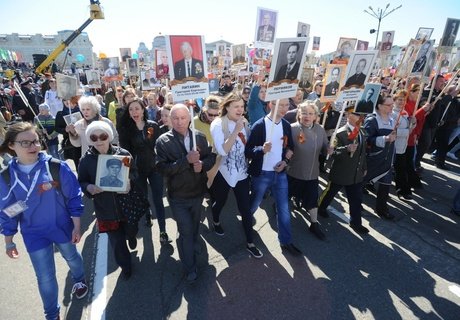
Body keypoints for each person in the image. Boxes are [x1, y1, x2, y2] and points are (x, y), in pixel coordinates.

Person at [0, 122, 88, 320]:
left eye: (35, 141)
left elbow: (73, 196)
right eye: (25, 143)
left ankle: (80, 279)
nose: (33, 146)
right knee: (45, 277)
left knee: (72, 257)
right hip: (33, 233)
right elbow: (8, 212)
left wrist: (76, 225)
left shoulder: (56, 166)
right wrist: (9, 241)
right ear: (12, 146)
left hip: (62, 226)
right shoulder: (6, 177)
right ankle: (52, 314)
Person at [155, 104, 215, 283]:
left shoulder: (200, 137)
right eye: (175, 118)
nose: (179, 122)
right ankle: (189, 267)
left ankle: (193, 245)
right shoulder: (163, 141)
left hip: (197, 193)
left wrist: (202, 165)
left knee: (195, 227)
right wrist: (185, 161)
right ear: (169, 120)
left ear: (190, 118)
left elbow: (210, 158)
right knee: (186, 231)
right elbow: (162, 169)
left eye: (183, 118)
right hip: (178, 197)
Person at [78, 121, 137, 280]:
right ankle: (126, 266)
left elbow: (134, 173)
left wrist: (129, 181)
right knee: (117, 242)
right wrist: (88, 187)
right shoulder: (86, 160)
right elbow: (81, 181)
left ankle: (131, 236)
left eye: (102, 136)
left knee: (131, 230)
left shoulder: (122, 154)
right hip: (105, 208)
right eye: (94, 137)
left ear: (109, 136)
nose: (98, 140)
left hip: (126, 204)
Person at [209, 92, 263, 257]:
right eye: (236, 106)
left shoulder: (245, 122)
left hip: (241, 173)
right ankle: (216, 219)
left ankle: (250, 242)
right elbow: (223, 150)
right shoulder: (218, 124)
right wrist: (236, 131)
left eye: (242, 106)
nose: (240, 110)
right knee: (220, 201)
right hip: (223, 173)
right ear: (226, 107)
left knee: (245, 209)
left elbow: (247, 148)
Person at [245, 98, 301, 256]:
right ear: (271, 105)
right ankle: (246, 226)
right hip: (262, 174)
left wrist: (285, 161)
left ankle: (286, 241)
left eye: (286, 105)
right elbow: (248, 151)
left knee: (283, 208)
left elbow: (290, 147)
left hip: (280, 173)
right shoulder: (259, 125)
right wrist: (261, 150)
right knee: (253, 204)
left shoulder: (286, 125)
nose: (285, 108)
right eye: (280, 105)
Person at [118, 98, 170, 242]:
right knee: (144, 197)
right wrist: (127, 174)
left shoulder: (152, 126)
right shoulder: (126, 130)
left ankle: (163, 231)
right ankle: (147, 214)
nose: (134, 112)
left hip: (155, 168)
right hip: (138, 170)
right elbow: (125, 153)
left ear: (143, 110)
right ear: (128, 113)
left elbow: (160, 146)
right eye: (131, 109)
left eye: (137, 108)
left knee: (158, 199)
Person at [318, 104, 369, 234]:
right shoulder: (340, 133)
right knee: (330, 193)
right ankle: (320, 207)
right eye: (356, 114)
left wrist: (364, 167)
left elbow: (363, 152)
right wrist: (346, 149)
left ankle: (356, 223)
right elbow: (331, 153)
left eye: (360, 115)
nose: (360, 117)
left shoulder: (361, 131)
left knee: (356, 199)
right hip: (341, 172)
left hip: (355, 174)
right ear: (347, 115)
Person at [287, 101, 329, 239]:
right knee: (286, 196)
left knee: (312, 199)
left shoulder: (320, 129)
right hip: (294, 172)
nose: (307, 116)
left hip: (312, 173)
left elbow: (325, 149)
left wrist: (329, 150)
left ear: (316, 116)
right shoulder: (291, 129)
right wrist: (286, 152)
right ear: (299, 114)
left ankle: (314, 224)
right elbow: (282, 147)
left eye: (311, 113)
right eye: (304, 113)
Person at [363, 94, 397, 220]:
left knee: (385, 184)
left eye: (392, 104)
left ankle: (382, 209)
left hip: (387, 159)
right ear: (379, 106)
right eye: (389, 105)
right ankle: (355, 203)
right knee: (362, 181)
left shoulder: (392, 119)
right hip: (373, 159)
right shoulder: (372, 120)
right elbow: (366, 139)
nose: (391, 107)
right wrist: (385, 139)